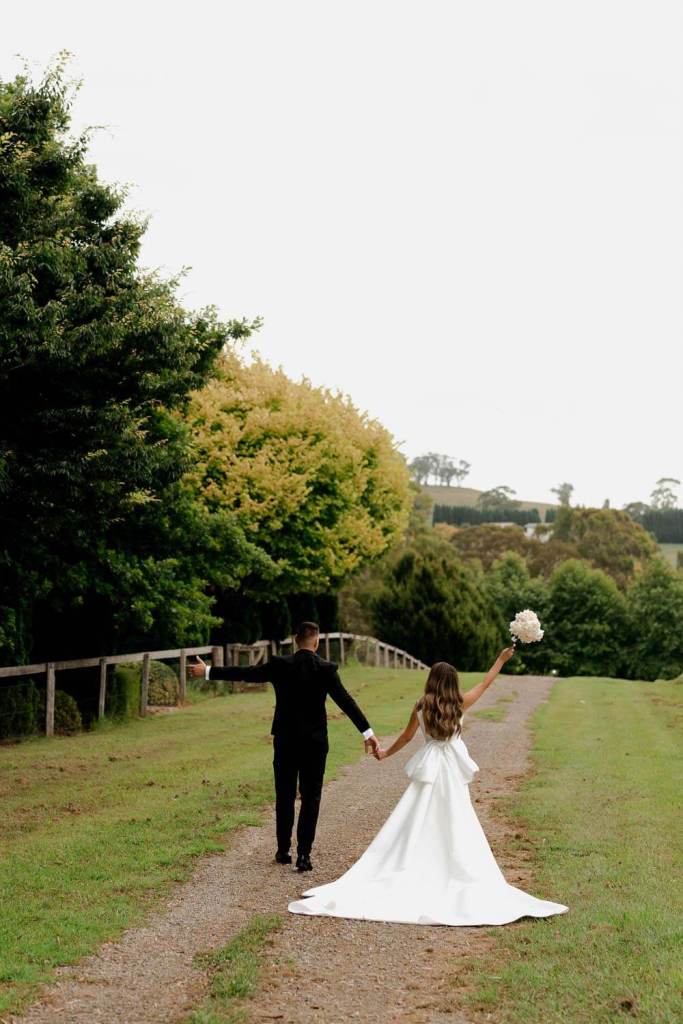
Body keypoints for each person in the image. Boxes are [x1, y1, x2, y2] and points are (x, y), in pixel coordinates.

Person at [289, 647, 568, 925]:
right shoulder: (459, 704)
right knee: (456, 816)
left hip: (430, 766)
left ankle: (411, 862)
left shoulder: (421, 706)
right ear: (452, 682)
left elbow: (408, 737)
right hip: (449, 769)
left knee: (416, 815)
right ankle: (453, 865)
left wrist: (385, 753)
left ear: (432, 680)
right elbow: (485, 683)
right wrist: (501, 659)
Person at [188, 622, 379, 872]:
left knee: (285, 795)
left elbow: (247, 673)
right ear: (317, 641)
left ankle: (283, 850)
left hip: (286, 741)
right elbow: (346, 701)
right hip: (315, 743)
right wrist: (367, 732)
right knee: (311, 797)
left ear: (295, 640)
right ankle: (304, 855)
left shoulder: (280, 665)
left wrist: (209, 671)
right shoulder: (326, 669)